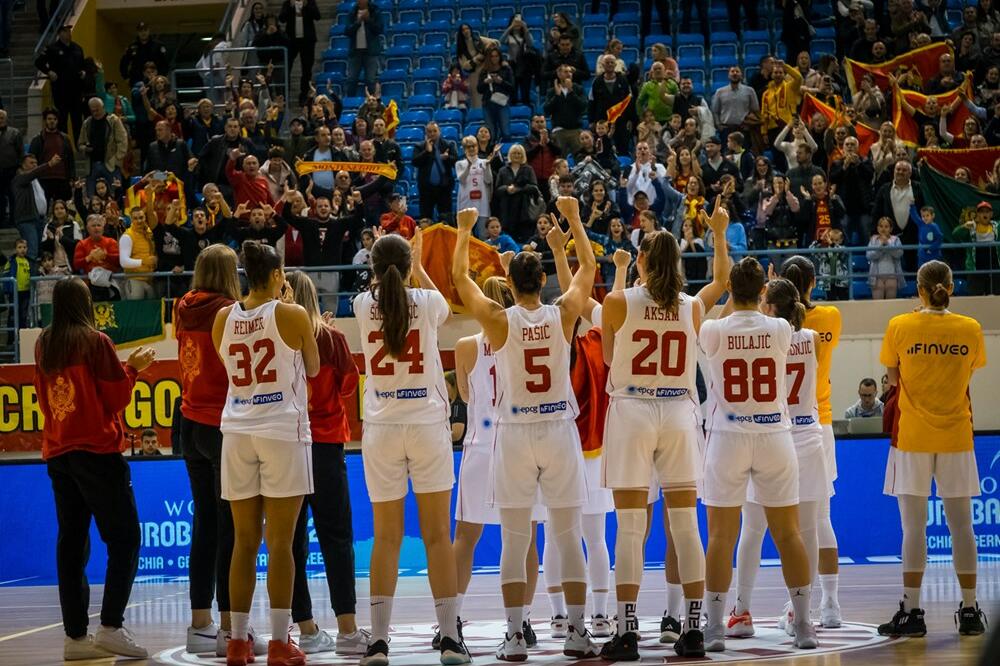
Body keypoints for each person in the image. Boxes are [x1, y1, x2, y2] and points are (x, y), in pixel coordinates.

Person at [452, 200, 600, 661]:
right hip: (558, 427)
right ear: (543, 282)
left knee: (515, 540)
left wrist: (463, 231)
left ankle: (514, 636)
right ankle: (577, 631)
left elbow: (460, 281)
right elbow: (589, 268)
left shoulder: (498, 321)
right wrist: (572, 224)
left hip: (514, 432)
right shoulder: (564, 314)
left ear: (511, 284)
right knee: (567, 534)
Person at [598, 200, 730, 660]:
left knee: (631, 526)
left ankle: (628, 631)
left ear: (640, 262)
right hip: (677, 411)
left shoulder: (617, 302)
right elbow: (721, 282)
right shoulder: (692, 307)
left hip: (633, 409)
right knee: (685, 525)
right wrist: (717, 234)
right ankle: (693, 628)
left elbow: (608, 360)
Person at [353, 231, 471, 666]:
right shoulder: (428, 302)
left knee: (386, 538)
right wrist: (419, 264)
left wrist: (404, 267)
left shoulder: (361, 306)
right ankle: (449, 639)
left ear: (373, 269)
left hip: (382, 428)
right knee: (438, 536)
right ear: (407, 268)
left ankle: (379, 641)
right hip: (425, 425)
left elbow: (386, 290)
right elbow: (435, 299)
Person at [699, 257, 818, 652]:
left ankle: (715, 628)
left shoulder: (713, 329)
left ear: (731, 289)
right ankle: (803, 625)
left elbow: (722, 318)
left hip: (728, 437)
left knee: (720, 536)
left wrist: (732, 297)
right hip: (774, 436)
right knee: (789, 533)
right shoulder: (782, 328)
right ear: (763, 292)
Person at [34, 277, 155, 660]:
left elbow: (44, 397)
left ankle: (75, 638)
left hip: (58, 452)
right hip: (98, 453)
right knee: (124, 540)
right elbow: (116, 396)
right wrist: (133, 369)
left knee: (71, 543)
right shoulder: (96, 342)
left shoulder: (44, 343)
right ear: (86, 304)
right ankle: (111, 626)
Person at [211, 240, 320, 666]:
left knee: (243, 542)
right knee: (280, 543)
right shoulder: (291, 313)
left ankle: (238, 642)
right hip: (282, 430)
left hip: (237, 430)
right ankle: (278, 641)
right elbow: (311, 367)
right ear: (278, 276)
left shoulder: (224, 317)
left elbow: (231, 370)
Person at [877, 260, 988, 638]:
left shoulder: (900, 326)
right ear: (951, 288)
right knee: (962, 527)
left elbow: (892, 379)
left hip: (913, 438)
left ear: (920, 290)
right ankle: (971, 609)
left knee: (913, 528)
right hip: (957, 436)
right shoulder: (970, 329)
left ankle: (912, 610)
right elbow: (969, 372)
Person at [726, 278, 829, 639]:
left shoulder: (770, 337)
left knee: (752, 530)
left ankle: (741, 611)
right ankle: (802, 612)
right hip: (810, 437)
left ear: (769, 307)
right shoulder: (811, 337)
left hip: (777, 437)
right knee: (807, 531)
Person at [174, 246, 256, 657]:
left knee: (204, 524)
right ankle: (229, 627)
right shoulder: (229, 310)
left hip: (188, 421)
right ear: (229, 272)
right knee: (230, 528)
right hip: (220, 422)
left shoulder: (181, 305)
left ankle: (200, 623)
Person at [282, 271, 369, 656]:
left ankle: (306, 628)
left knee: (291, 542)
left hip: (286, 445)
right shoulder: (331, 338)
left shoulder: (276, 335)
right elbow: (350, 386)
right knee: (337, 538)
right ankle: (348, 630)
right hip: (327, 445)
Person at [452, 276, 541, 649]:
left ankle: (451, 618)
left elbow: (466, 394)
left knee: (466, 537)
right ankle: (523, 621)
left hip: (481, 444)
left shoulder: (465, 345)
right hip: (518, 441)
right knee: (526, 537)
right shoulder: (523, 339)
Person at [780, 255, 843, 627]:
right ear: (813, 281)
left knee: (787, 524)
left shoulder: (773, 327)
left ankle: (796, 607)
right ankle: (830, 604)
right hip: (820, 422)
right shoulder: (831, 318)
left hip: (783, 426)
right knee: (821, 518)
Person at [279, 0, 320, 106]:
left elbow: (317, 16)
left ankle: (304, 95)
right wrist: (290, 7)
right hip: (291, 41)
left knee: (306, 69)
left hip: (307, 41)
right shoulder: (288, 3)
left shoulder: (310, 2)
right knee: (287, 67)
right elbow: (281, 19)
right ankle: (284, 95)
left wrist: (307, 6)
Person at [345, 0, 383, 97]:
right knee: (352, 79)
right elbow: (347, 31)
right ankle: (350, 104)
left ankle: (372, 104)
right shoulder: (352, 12)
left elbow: (379, 29)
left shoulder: (375, 11)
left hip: (371, 51)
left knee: (370, 80)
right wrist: (357, 22)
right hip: (355, 52)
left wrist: (368, 20)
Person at [867, 217, 905, 300]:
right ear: (877, 228)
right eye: (881, 226)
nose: (883, 228)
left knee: (890, 305)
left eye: (886, 226)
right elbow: (869, 256)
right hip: (876, 277)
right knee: (878, 305)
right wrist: (881, 248)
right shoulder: (873, 240)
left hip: (892, 276)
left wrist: (887, 244)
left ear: (891, 229)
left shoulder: (896, 239)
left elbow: (899, 254)